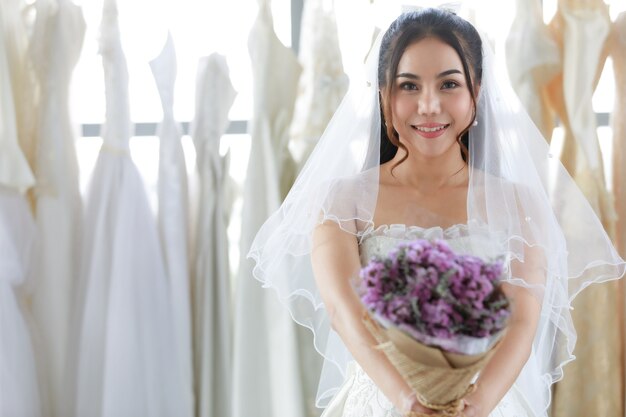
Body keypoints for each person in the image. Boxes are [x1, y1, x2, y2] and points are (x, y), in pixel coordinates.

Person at [248, 7, 625, 417]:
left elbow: (521, 320)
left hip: (486, 403)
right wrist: (408, 401)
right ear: (383, 94)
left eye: (449, 84)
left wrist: (475, 405)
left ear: (476, 92)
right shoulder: (342, 201)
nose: (429, 105)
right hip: (380, 401)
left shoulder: (519, 204)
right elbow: (344, 311)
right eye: (408, 86)